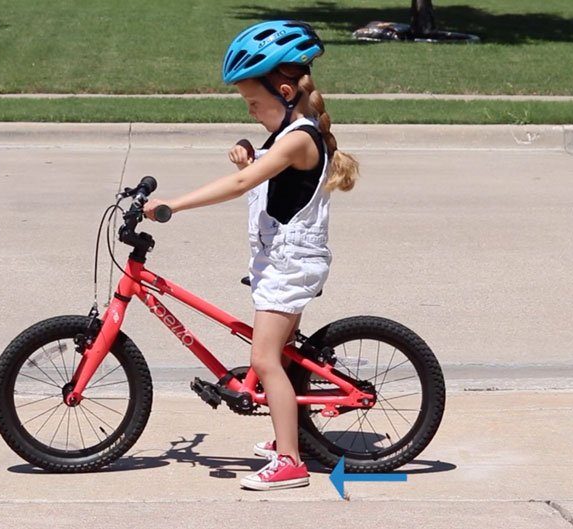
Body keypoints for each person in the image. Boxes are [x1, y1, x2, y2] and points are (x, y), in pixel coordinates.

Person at [143, 19, 359, 491]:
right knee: (278, 358)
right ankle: (289, 434)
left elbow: (245, 184)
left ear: (284, 91)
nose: (252, 112)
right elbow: (262, 174)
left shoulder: (300, 138)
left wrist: (171, 204)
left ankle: (290, 462)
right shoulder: (287, 135)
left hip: (289, 265)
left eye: (254, 103)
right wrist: (250, 153)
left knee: (263, 360)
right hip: (279, 261)